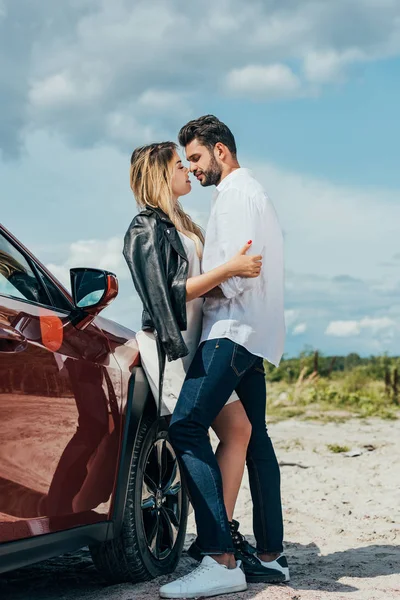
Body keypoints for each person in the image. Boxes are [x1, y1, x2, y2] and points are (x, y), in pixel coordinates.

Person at [160, 115, 289, 599]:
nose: (192, 168)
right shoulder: (256, 193)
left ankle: (219, 557)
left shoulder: (235, 196)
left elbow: (235, 276)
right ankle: (272, 557)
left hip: (230, 330)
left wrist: (196, 294)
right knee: (255, 440)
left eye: (195, 157)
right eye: (186, 161)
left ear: (221, 151)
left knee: (186, 425)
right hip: (253, 335)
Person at [122, 141, 262, 565]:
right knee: (195, 433)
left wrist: (231, 280)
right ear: (160, 174)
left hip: (202, 342)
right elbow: (167, 294)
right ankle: (218, 542)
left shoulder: (180, 222)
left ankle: (215, 533)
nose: (187, 170)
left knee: (238, 429)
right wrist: (228, 270)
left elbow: (198, 289)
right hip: (173, 348)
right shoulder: (144, 228)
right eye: (179, 165)